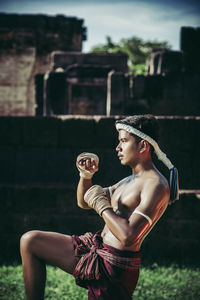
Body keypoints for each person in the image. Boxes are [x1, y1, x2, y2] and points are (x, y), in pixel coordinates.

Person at [20, 114, 179, 300]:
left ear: (143, 145)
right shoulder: (129, 180)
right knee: (30, 241)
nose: (118, 147)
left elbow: (128, 236)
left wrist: (102, 205)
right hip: (95, 249)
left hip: (115, 267)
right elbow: (84, 202)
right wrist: (86, 177)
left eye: (124, 141)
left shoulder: (156, 185)